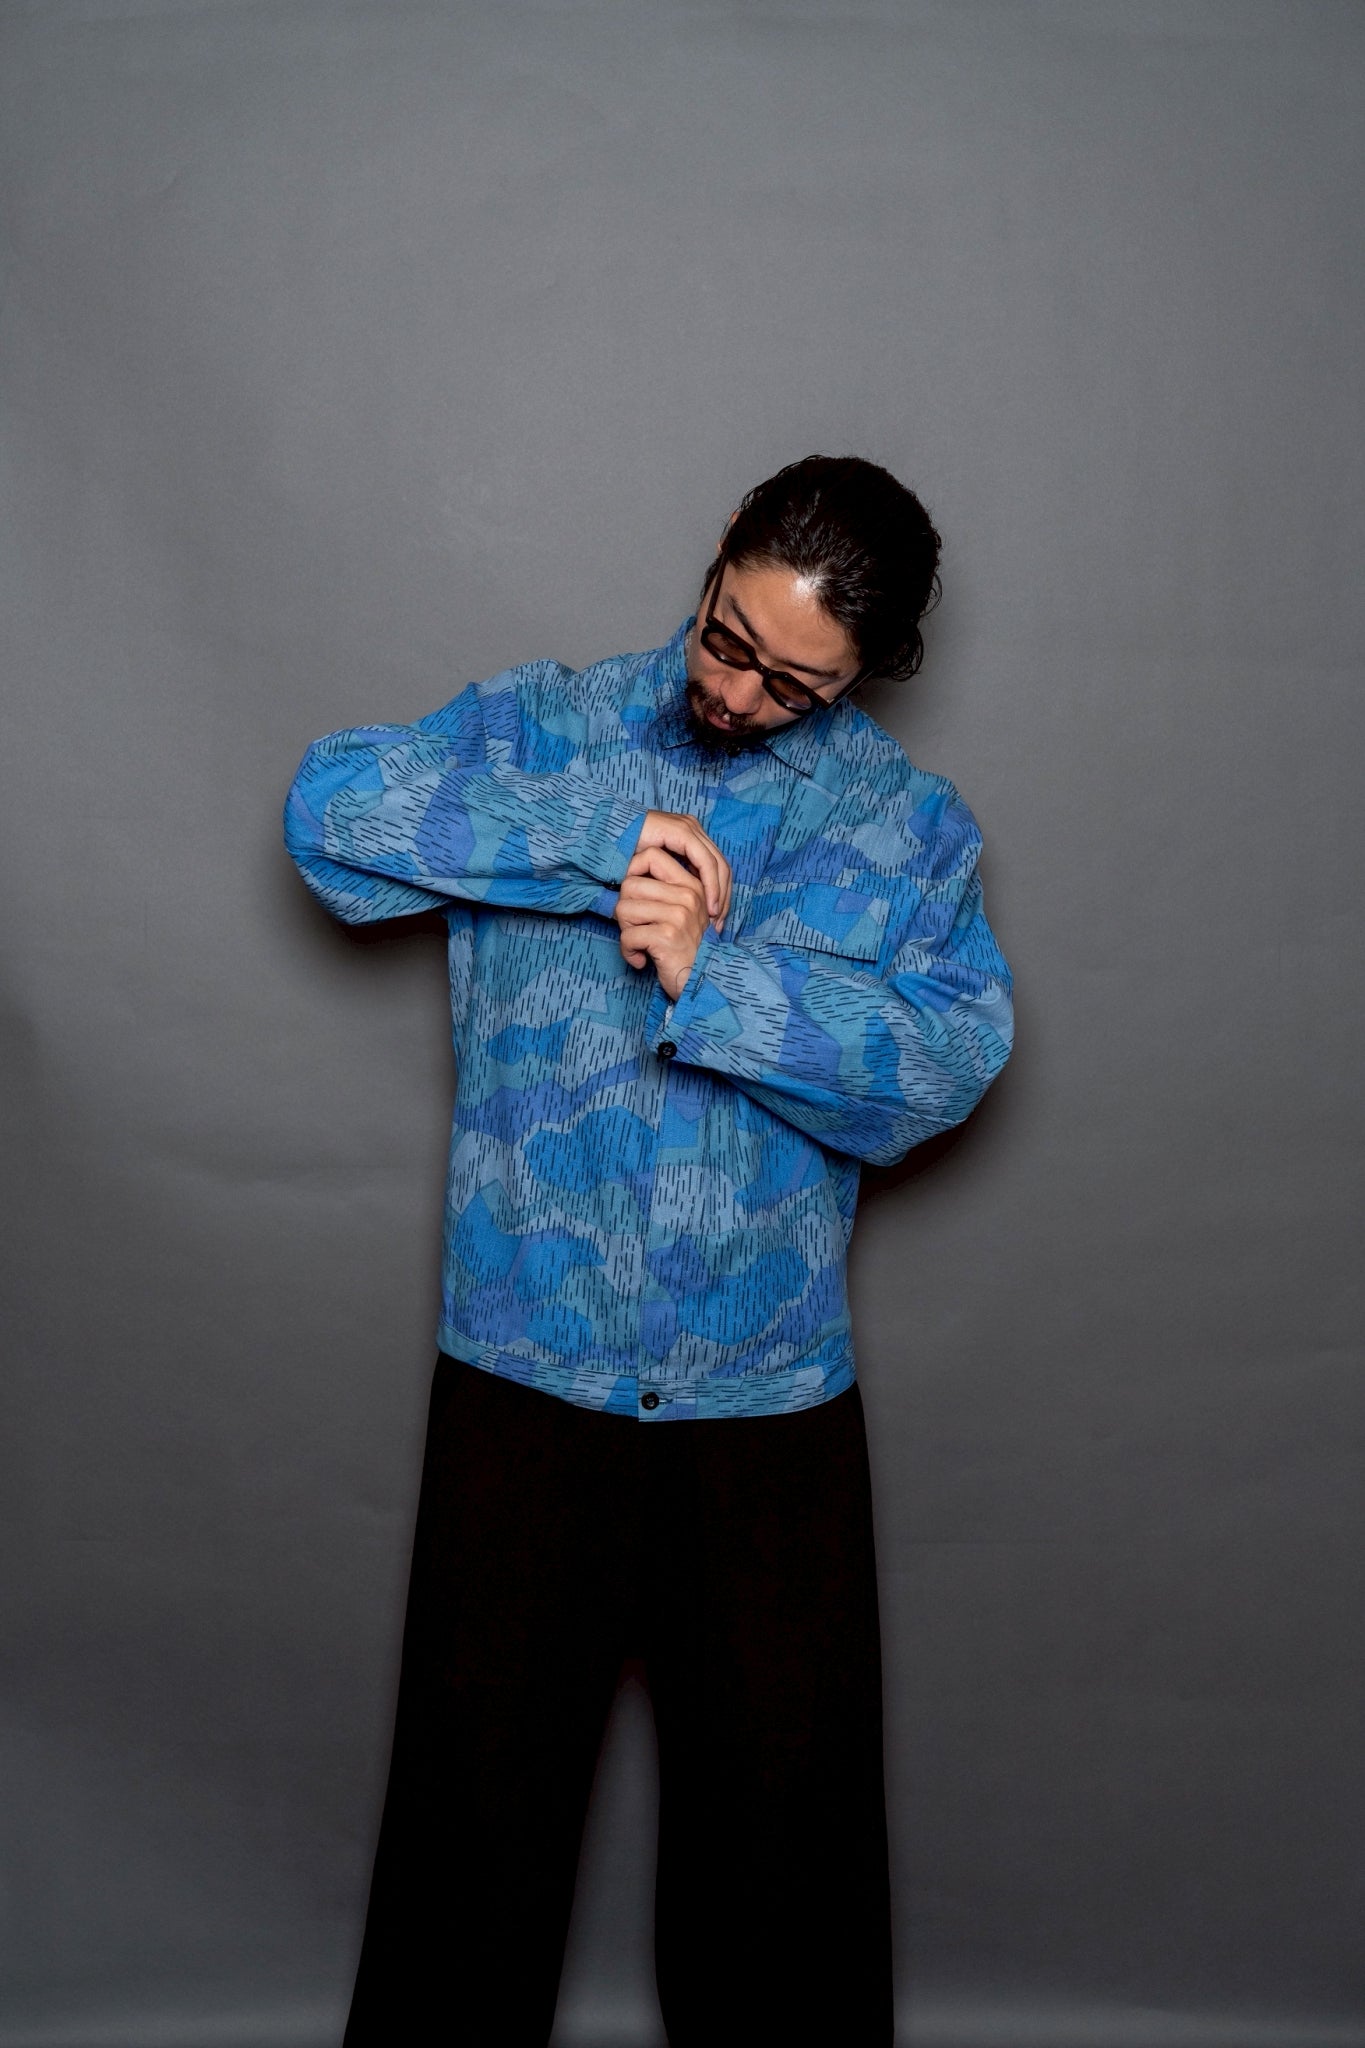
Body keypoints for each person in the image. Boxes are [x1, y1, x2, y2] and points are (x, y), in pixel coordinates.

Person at [284, 454, 1013, 2046]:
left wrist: (717, 978)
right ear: (719, 551)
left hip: (768, 1418)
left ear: (870, 673)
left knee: (786, 1903)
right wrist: (604, 835)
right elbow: (327, 820)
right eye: (726, 638)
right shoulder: (544, 726)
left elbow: (942, 1072)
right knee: (464, 1881)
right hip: (520, 1387)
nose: (738, 692)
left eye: (794, 683)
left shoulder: (907, 832)